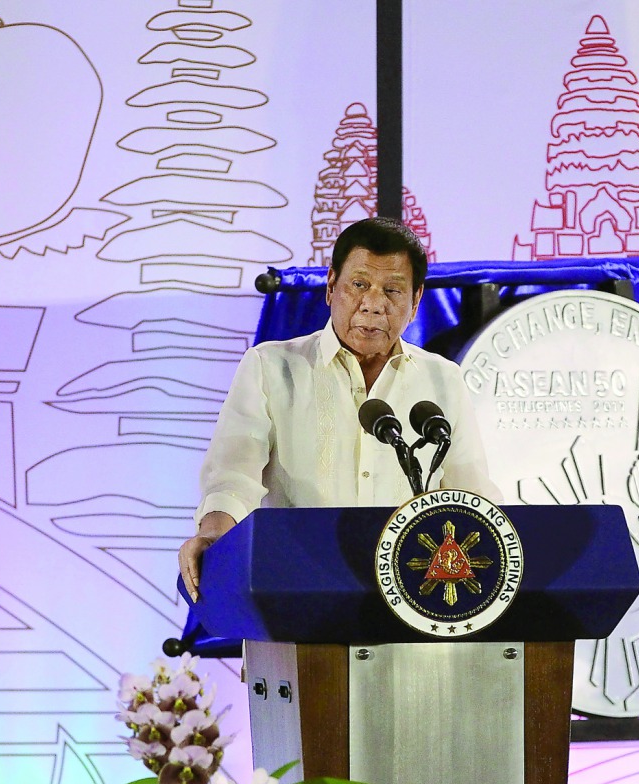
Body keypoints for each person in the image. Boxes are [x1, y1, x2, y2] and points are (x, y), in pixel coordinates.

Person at [178, 217, 500, 601]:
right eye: (359, 284)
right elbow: (232, 479)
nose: (373, 304)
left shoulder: (442, 380)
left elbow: (472, 497)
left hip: (413, 602)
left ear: (415, 302)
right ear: (332, 286)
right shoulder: (271, 368)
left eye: (393, 290)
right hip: (296, 595)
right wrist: (214, 535)